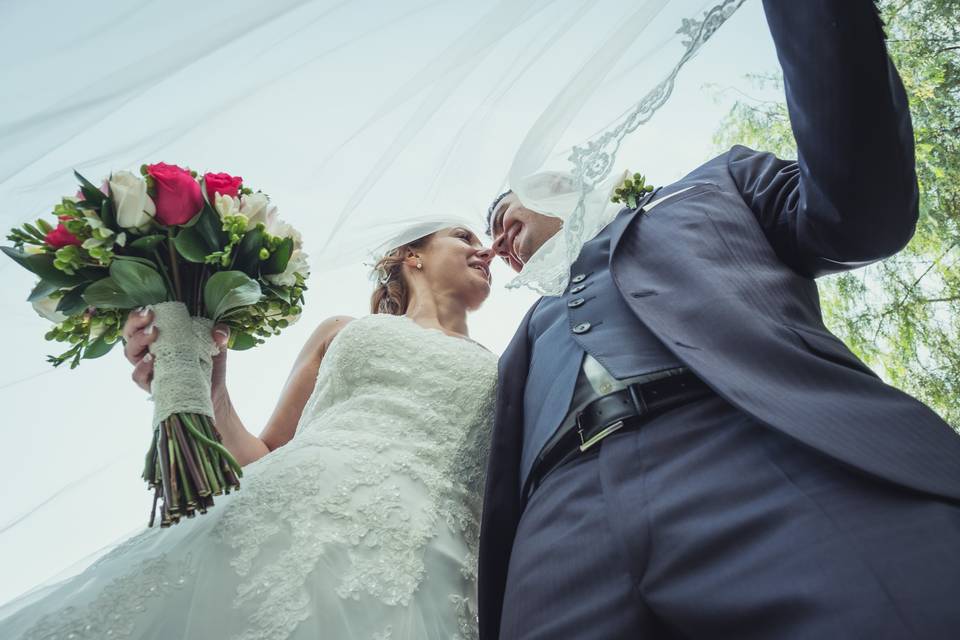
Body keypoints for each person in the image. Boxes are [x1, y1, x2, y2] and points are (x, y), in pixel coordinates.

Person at [479, 1, 960, 638]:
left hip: (765, 448)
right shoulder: (529, 329)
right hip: (556, 535)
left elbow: (858, 217)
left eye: (502, 213)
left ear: (554, 184)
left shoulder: (710, 187)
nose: (497, 239)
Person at [0, 226, 497, 640]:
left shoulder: (503, 368)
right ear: (413, 254)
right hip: (295, 512)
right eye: (463, 236)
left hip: (433, 552)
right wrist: (206, 380)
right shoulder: (342, 329)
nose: (484, 249)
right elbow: (263, 453)